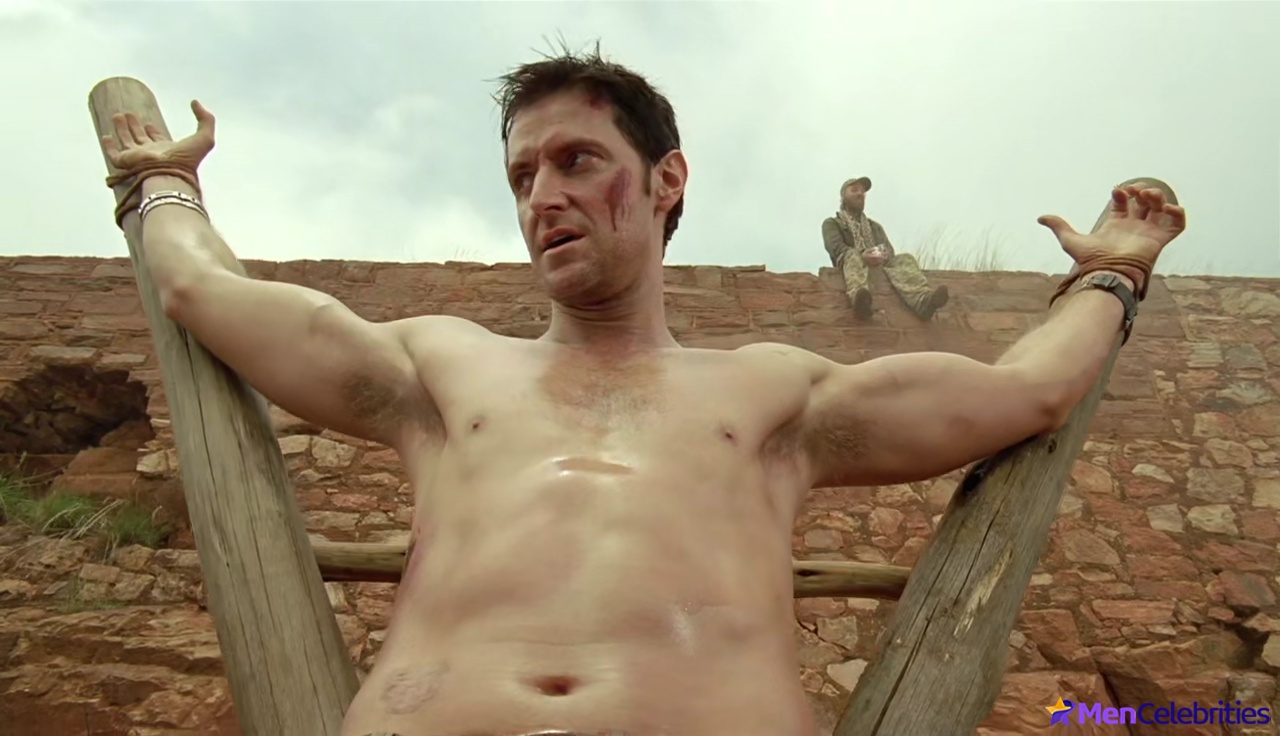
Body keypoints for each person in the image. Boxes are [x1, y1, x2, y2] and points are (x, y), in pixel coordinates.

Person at [100, 46, 1184, 736]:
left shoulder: (772, 392)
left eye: (576, 160)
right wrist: (161, 182)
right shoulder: (441, 367)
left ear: (666, 180)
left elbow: (1025, 393)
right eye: (522, 174)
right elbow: (201, 292)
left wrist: (1111, 276)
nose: (542, 195)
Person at [821, 177, 950, 321]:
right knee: (852, 255)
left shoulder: (874, 227)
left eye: (862, 191)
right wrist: (863, 255)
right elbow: (836, 248)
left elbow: (888, 251)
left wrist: (880, 256)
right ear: (843, 196)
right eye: (854, 190)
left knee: (905, 259)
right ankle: (860, 301)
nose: (860, 194)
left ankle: (923, 302)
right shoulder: (832, 223)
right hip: (851, 264)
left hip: (879, 265)